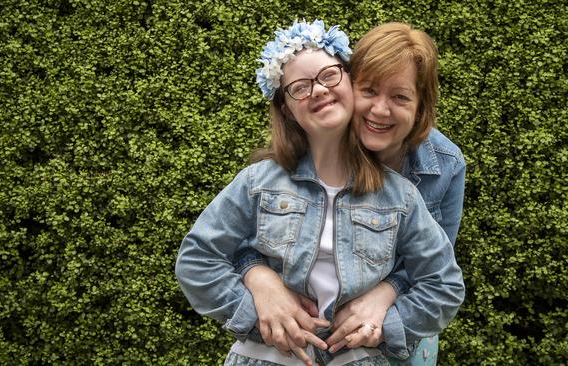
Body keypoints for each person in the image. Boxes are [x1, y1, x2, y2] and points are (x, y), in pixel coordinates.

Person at [175, 20, 464, 366]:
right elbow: (201, 258)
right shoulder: (262, 181)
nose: (380, 110)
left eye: (400, 96)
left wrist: (388, 307)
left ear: (421, 108)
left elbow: (438, 279)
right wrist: (257, 284)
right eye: (370, 91)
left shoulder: (419, 182)